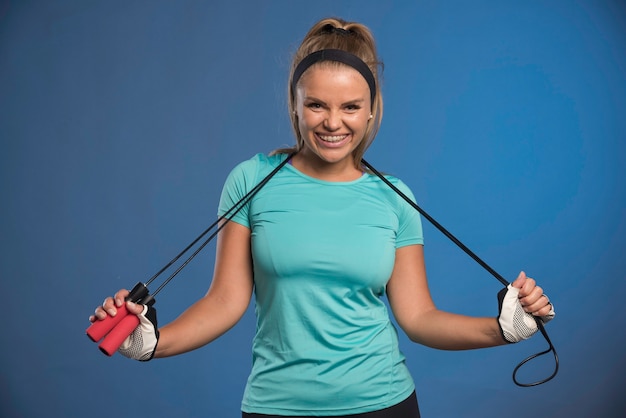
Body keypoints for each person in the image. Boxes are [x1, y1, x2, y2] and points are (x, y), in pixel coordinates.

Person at [89, 17, 555, 417]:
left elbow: (418, 318)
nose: (334, 123)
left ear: (371, 111)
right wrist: (154, 343)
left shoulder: (394, 198)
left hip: (384, 404)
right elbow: (225, 301)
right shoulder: (250, 179)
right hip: (276, 406)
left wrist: (502, 330)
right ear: (295, 104)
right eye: (317, 104)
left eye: (351, 106)